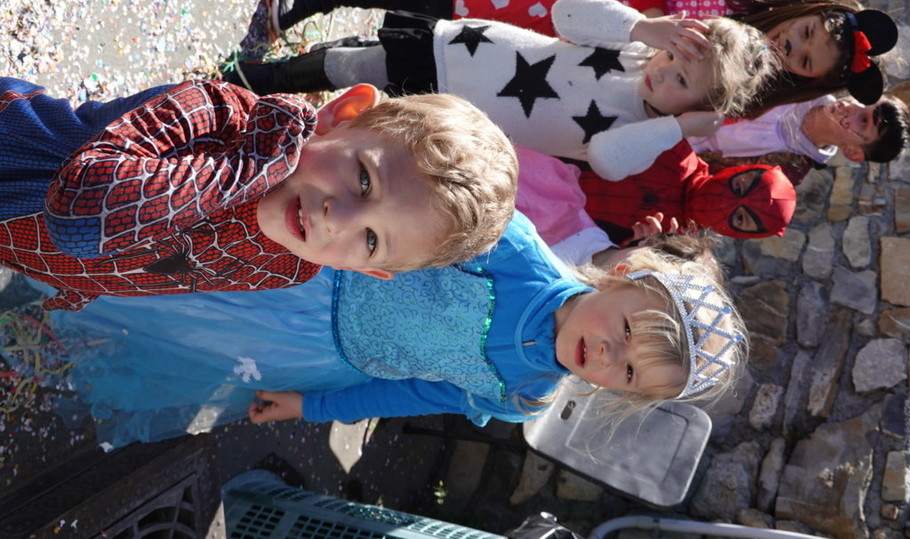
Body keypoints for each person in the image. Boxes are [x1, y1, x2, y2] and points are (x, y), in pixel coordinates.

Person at [28, 212, 745, 448]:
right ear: (622, 276)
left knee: (183, 323)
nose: (608, 355)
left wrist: (310, 404)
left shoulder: (523, 393)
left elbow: (410, 390)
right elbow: (403, 210)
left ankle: (63, 287)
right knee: (185, 263)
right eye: (625, 329)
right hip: (310, 275)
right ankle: (61, 233)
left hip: (313, 354)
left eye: (627, 373)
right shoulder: (511, 249)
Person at [0, 77, 518, 312]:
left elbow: (169, 269)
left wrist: (82, 281)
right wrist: (255, 166)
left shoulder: (289, 266)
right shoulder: (216, 115)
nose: (337, 219)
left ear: (369, 270)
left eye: (371, 241)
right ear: (344, 115)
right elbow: (79, 219)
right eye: (364, 180)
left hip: (25, 248)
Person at [245, 0, 898, 114]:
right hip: (566, 8)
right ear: (808, 7)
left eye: (804, 60)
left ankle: (329, 61)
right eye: (806, 31)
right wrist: (648, 19)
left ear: (803, 79)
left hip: (562, 74)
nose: (792, 45)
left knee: (431, 57)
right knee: (450, 2)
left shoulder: (746, 93)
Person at [225, 0, 776, 182]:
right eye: (672, 55)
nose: (662, 70)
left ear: (700, 106)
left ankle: (274, 123)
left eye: (681, 81)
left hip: (451, 112)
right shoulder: (635, 46)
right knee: (357, 64)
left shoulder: (641, 131)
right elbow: (566, 13)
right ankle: (260, 80)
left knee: (367, 115)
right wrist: (643, 28)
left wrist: (676, 129)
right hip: (466, 53)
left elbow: (607, 160)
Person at [514, 144, 796, 263]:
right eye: (740, 186)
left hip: (525, 233)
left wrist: (635, 251)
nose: (726, 203)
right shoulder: (673, 149)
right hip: (524, 165)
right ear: (740, 170)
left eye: (740, 217)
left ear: (737, 233)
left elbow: (594, 267)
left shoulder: (674, 251)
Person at [689, 93, 910, 170]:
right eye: (863, 101)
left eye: (863, 121)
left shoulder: (786, 171)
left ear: (853, 152)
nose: (852, 106)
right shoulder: (802, 82)